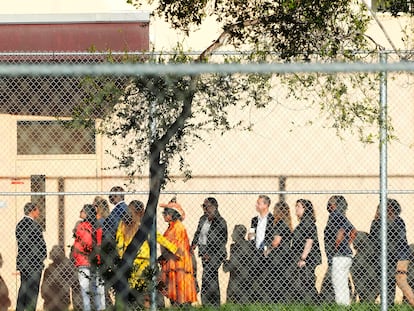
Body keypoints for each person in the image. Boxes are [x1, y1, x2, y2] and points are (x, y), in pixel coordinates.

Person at [116, 199, 178, 309]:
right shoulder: (143, 223)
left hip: (131, 263)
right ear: (141, 211)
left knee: (137, 292)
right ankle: (157, 307)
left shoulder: (123, 223)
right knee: (153, 289)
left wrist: (122, 257)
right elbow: (156, 236)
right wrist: (173, 248)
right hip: (146, 261)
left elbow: (119, 243)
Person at [370, 198, 414, 307]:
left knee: (400, 280)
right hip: (386, 256)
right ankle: (388, 305)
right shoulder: (377, 222)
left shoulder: (396, 221)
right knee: (388, 280)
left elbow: (399, 241)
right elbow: (374, 238)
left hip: (399, 255)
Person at [159, 200, 198, 306]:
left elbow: (176, 249)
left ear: (171, 214)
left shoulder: (178, 227)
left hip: (178, 265)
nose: (163, 215)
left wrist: (162, 254)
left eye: (165, 213)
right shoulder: (172, 226)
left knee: (180, 296)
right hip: (173, 264)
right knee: (172, 293)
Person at [191, 197, 228, 307]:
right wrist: (193, 244)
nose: (204, 208)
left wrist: (210, 253)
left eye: (205, 206)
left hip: (215, 255)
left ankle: (211, 304)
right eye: (203, 206)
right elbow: (198, 232)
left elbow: (221, 240)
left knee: (208, 277)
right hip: (204, 254)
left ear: (213, 207)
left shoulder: (220, 221)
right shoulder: (203, 219)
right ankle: (209, 304)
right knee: (210, 278)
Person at [323, 195, 357, 306]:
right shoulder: (342, 216)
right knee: (343, 283)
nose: (328, 203)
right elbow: (353, 231)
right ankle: (346, 305)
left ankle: (341, 307)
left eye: (331, 201)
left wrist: (336, 245)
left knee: (338, 284)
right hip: (346, 255)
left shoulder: (335, 215)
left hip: (338, 255)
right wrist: (346, 244)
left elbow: (342, 231)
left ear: (336, 204)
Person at [286, 199, 321, 303]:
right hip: (301, 257)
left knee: (306, 283)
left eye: (298, 206)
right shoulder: (303, 222)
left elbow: (309, 241)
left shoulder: (308, 222)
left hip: (307, 259)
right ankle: (309, 304)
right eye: (296, 206)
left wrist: (303, 258)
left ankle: (315, 304)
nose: (296, 208)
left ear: (305, 209)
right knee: (303, 283)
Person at [72, 204, 105, 311]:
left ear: (86, 213)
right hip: (95, 259)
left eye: (82, 210)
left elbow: (86, 243)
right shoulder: (98, 226)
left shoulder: (82, 226)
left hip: (84, 260)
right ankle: (99, 308)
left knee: (85, 288)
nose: (80, 212)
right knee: (96, 287)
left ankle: (87, 309)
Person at [16, 202, 47, 311]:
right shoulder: (35, 226)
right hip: (34, 263)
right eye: (37, 210)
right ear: (32, 211)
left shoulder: (19, 225)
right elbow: (40, 245)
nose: (39, 212)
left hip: (24, 262)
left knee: (23, 287)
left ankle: (19, 308)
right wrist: (42, 256)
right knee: (33, 290)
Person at [246, 194, 276, 303]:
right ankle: (256, 302)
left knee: (268, 280)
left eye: (259, 203)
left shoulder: (273, 219)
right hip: (256, 253)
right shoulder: (254, 220)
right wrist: (250, 236)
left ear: (266, 205)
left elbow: (273, 237)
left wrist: (268, 249)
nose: (256, 205)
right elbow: (252, 233)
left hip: (267, 253)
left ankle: (268, 302)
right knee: (255, 279)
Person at [264, 200, 293, 302]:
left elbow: (276, 242)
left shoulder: (280, 223)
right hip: (284, 257)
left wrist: (267, 250)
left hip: (277, 258)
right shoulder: (287, 224)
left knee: (275, 285)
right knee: (281, 285)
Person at [223, 224, 256, 304]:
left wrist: (225, 263)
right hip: (247, 279)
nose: (231, 235)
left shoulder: (235, 246)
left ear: (237, 234)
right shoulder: (249, 244)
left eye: (233, 233)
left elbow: (234, 263)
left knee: (232, 300)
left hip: (236, 279)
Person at [41, 245, 79, 311]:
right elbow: (75, 285)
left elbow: (43, 290)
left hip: (51, 301)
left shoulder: (49, 270)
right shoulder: (66, 269)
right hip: (61, 301)